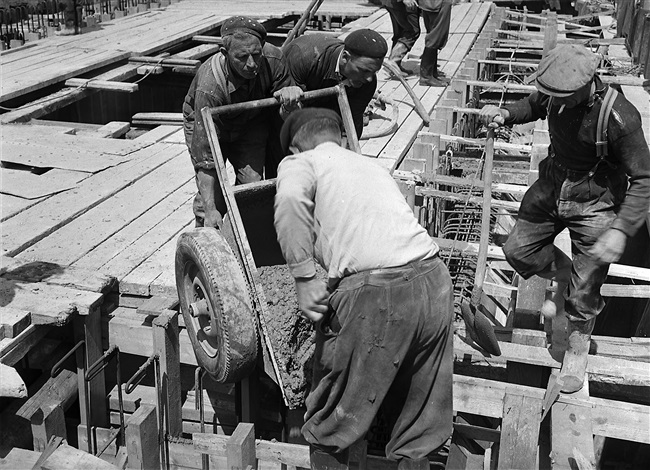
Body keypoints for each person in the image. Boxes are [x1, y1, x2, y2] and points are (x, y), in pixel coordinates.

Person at [274, 108, 454, 470]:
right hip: (434, 281)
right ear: (340, 138)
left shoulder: (300, 163)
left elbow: (291, 201)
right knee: (419, 422)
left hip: (378, 295)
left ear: (294, 148)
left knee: (333, 419)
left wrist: (305, 278)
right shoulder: (368, 165)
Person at [480, 45, 650, 393]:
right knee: (518, 250)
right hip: (554, 181)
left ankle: (576, 348)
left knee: (586, 285)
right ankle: (566, 274)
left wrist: (621, 228)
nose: (555, 100)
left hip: (597, 197)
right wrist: (505, 114)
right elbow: (531, 105)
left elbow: (645, 178)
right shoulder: (556, 93)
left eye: (564, 96)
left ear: (588, 84)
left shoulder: (620, 117)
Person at [183, 16, 303, 228]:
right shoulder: (209, 87)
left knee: (252, 186)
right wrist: (211, 210)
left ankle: (243, 237)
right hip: (211, 126)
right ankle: (202, 239)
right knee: (211, 202)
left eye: (256, 55)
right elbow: (205, 159)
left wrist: (290, 101)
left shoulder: (274, 61)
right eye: (241, 57)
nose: (251, 64)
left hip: (250, 123)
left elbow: (288, 117)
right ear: (225, 54)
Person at [282, 29, 388, 139]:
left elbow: (352, 123)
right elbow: (290, 109)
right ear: (345, 57)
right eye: (364, 70)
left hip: (329, 103)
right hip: (287, 106)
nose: (369, 79)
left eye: (375, 71)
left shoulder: (366, 81)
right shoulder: (303, 57)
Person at [380, 0, 421, 77]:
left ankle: (394, 66)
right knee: (412, 32)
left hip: (391, 3)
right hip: (401, 4)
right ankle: (393, 61)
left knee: (400, 33)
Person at [418, 0, 452, 86]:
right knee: (436, 36)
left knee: (434, 35)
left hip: (429, 4)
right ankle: (426, 77)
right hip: (437, 4)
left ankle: (432, 73)